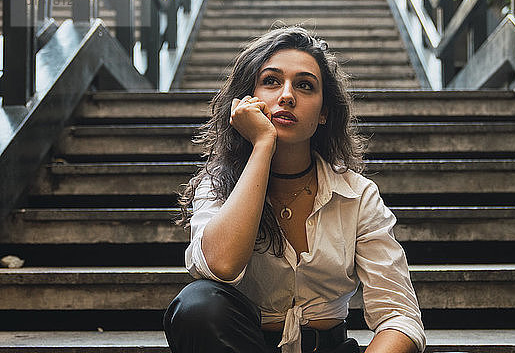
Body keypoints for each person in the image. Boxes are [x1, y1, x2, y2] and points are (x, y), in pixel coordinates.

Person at [163, 26, 426, 353]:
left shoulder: (357, 195)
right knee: (197, 306)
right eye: (271, 81)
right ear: (247, 100)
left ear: (323, 113)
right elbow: (221, 266)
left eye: (304, 86)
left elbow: (398, 316)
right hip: (242, 345)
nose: (287, 95)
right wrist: (263, 145)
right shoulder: (218, 184)